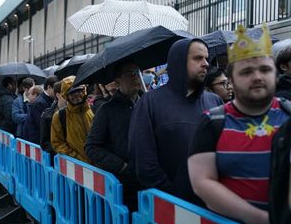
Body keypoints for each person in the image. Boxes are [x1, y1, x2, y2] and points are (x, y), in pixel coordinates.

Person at [188, 24, 290, 224]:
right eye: (246, 72)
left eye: (265, 69)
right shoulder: (212, 122)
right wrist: (260, 220)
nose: (257, 77)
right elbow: (202, 183)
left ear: (276, 74)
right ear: (231, 81)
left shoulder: (289, 114)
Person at [128, 38, 222, 204]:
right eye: (198, 58)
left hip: (213, 207)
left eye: (206, 58)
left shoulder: (215, 102)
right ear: (179, 62)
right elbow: (143, 162)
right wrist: (174, 198)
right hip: (170, 208)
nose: (206, 63)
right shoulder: (150, 103)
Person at [85, 59, 142, 212]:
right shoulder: (106, 110)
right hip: (123, 186)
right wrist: (122, 166)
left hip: (148, 182)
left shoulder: (147, 105)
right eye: (129, 74)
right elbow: (91, 147)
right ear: (117, 81)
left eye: (137, 73)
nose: (135, 77)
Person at [51, 76, 94, 163]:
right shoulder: (59, 116)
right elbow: (57, 143)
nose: (77, 95)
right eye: (72, 93)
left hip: (100, 166)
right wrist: (78, 159)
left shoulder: (94, 109)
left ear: (84, 91)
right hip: (77, 167)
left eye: (79, 91)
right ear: (66, 96)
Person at [25, 76, 58, 144]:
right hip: (37, 142)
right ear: (49, 87)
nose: (57, 92)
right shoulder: (39, 103)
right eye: (56, 89)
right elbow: (41, 126)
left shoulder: (48, 100)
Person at [40, 81, 66, 155]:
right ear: (58, 95)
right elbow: (45, 143)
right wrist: (59, 153)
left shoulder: (75, 112)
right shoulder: (47, 115)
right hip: (56, 160)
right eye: (65, 94)